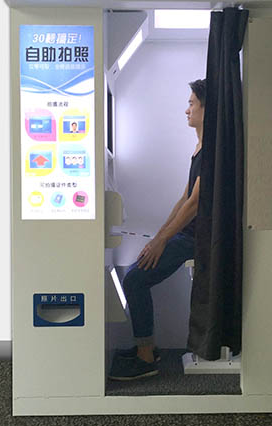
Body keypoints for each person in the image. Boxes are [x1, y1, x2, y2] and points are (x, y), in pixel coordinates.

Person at [108, 79, 206, 381]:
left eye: (191, 103)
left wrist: (162, 241)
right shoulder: (200, 148)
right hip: (185, 234)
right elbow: (184, 198)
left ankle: (146, 356)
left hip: (197, 239)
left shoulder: (213, 149)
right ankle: (148, 347)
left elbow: (195, 204)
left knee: (135, 280)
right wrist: (159, 236)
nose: (186, 110)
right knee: (135, 273)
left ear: (207, 109)